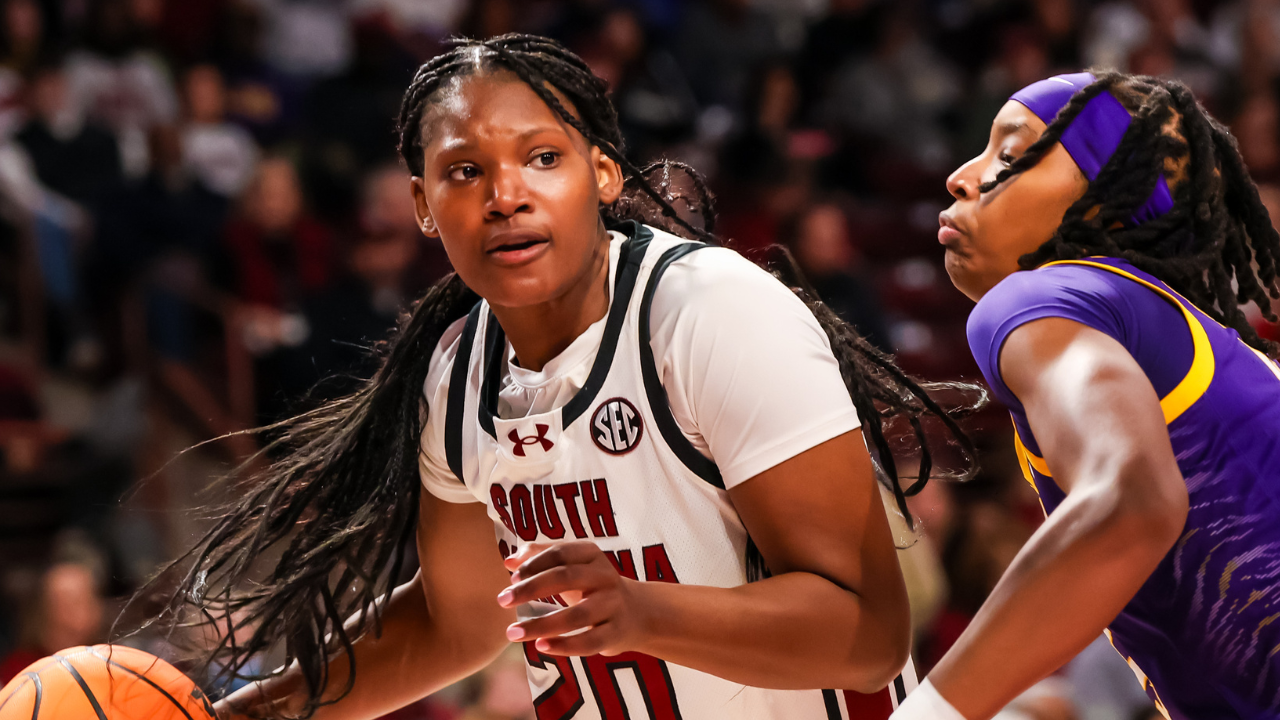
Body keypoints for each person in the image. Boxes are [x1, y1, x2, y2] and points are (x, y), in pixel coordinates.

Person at [140, 34, 979, 720]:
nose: (506, 195)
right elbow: (452, 622)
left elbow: (867, 630)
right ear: (423, 204)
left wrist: (641, 611)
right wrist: (258, 712)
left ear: (604, 174)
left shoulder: (708, 313)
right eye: (465, 171)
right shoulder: (456, 374)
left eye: (542, 158)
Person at [894, 71, 1280, 720]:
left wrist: (929, 712)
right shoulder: (1181, 334)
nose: (961, 176)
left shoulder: (1040, 297)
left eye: (1010, 157)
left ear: (1104, 204)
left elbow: (1133, 502)